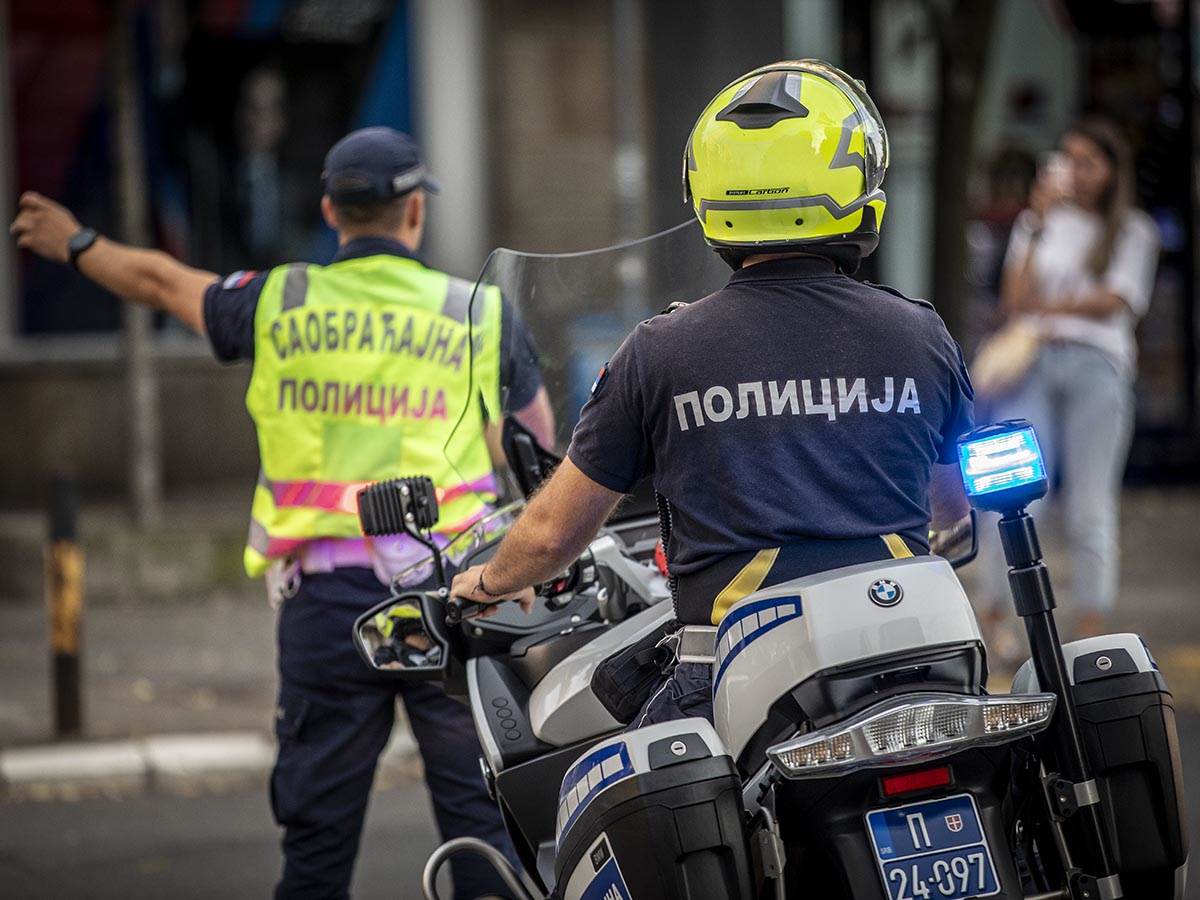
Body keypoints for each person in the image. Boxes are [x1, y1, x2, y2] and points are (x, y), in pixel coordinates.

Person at [11, 126, 553, 900]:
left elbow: (162, 281)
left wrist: (78, 241)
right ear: (414, 215)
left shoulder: (279, 300)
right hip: (459, 598)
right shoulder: (476, 311)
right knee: (481, 828)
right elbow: (538, 452)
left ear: (333, 213)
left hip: (327, 609)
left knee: (316, 848)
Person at [449, 60, 975, 727]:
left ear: (709, 192)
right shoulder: (920, 335)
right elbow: (950, 509)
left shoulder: (661, 350)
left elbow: (554, 534)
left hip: (737, 680)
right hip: (909, 661)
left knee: (599, 780)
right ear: (855, 185)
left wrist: (489, 581)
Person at [981, 116, 1160, 640]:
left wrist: (1050, 305)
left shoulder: (1133, 230)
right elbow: (1014, 299)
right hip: (1031, 360)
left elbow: (1116, 302)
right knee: (1009, 490)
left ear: (1111, 169)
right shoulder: (1038, 224)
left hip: (1096, 367)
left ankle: (1090, 629)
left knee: (1090, 503)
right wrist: (1036, 220)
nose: (1076, 173)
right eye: (1068, 160)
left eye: (1088, 162)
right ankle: (998, 619)